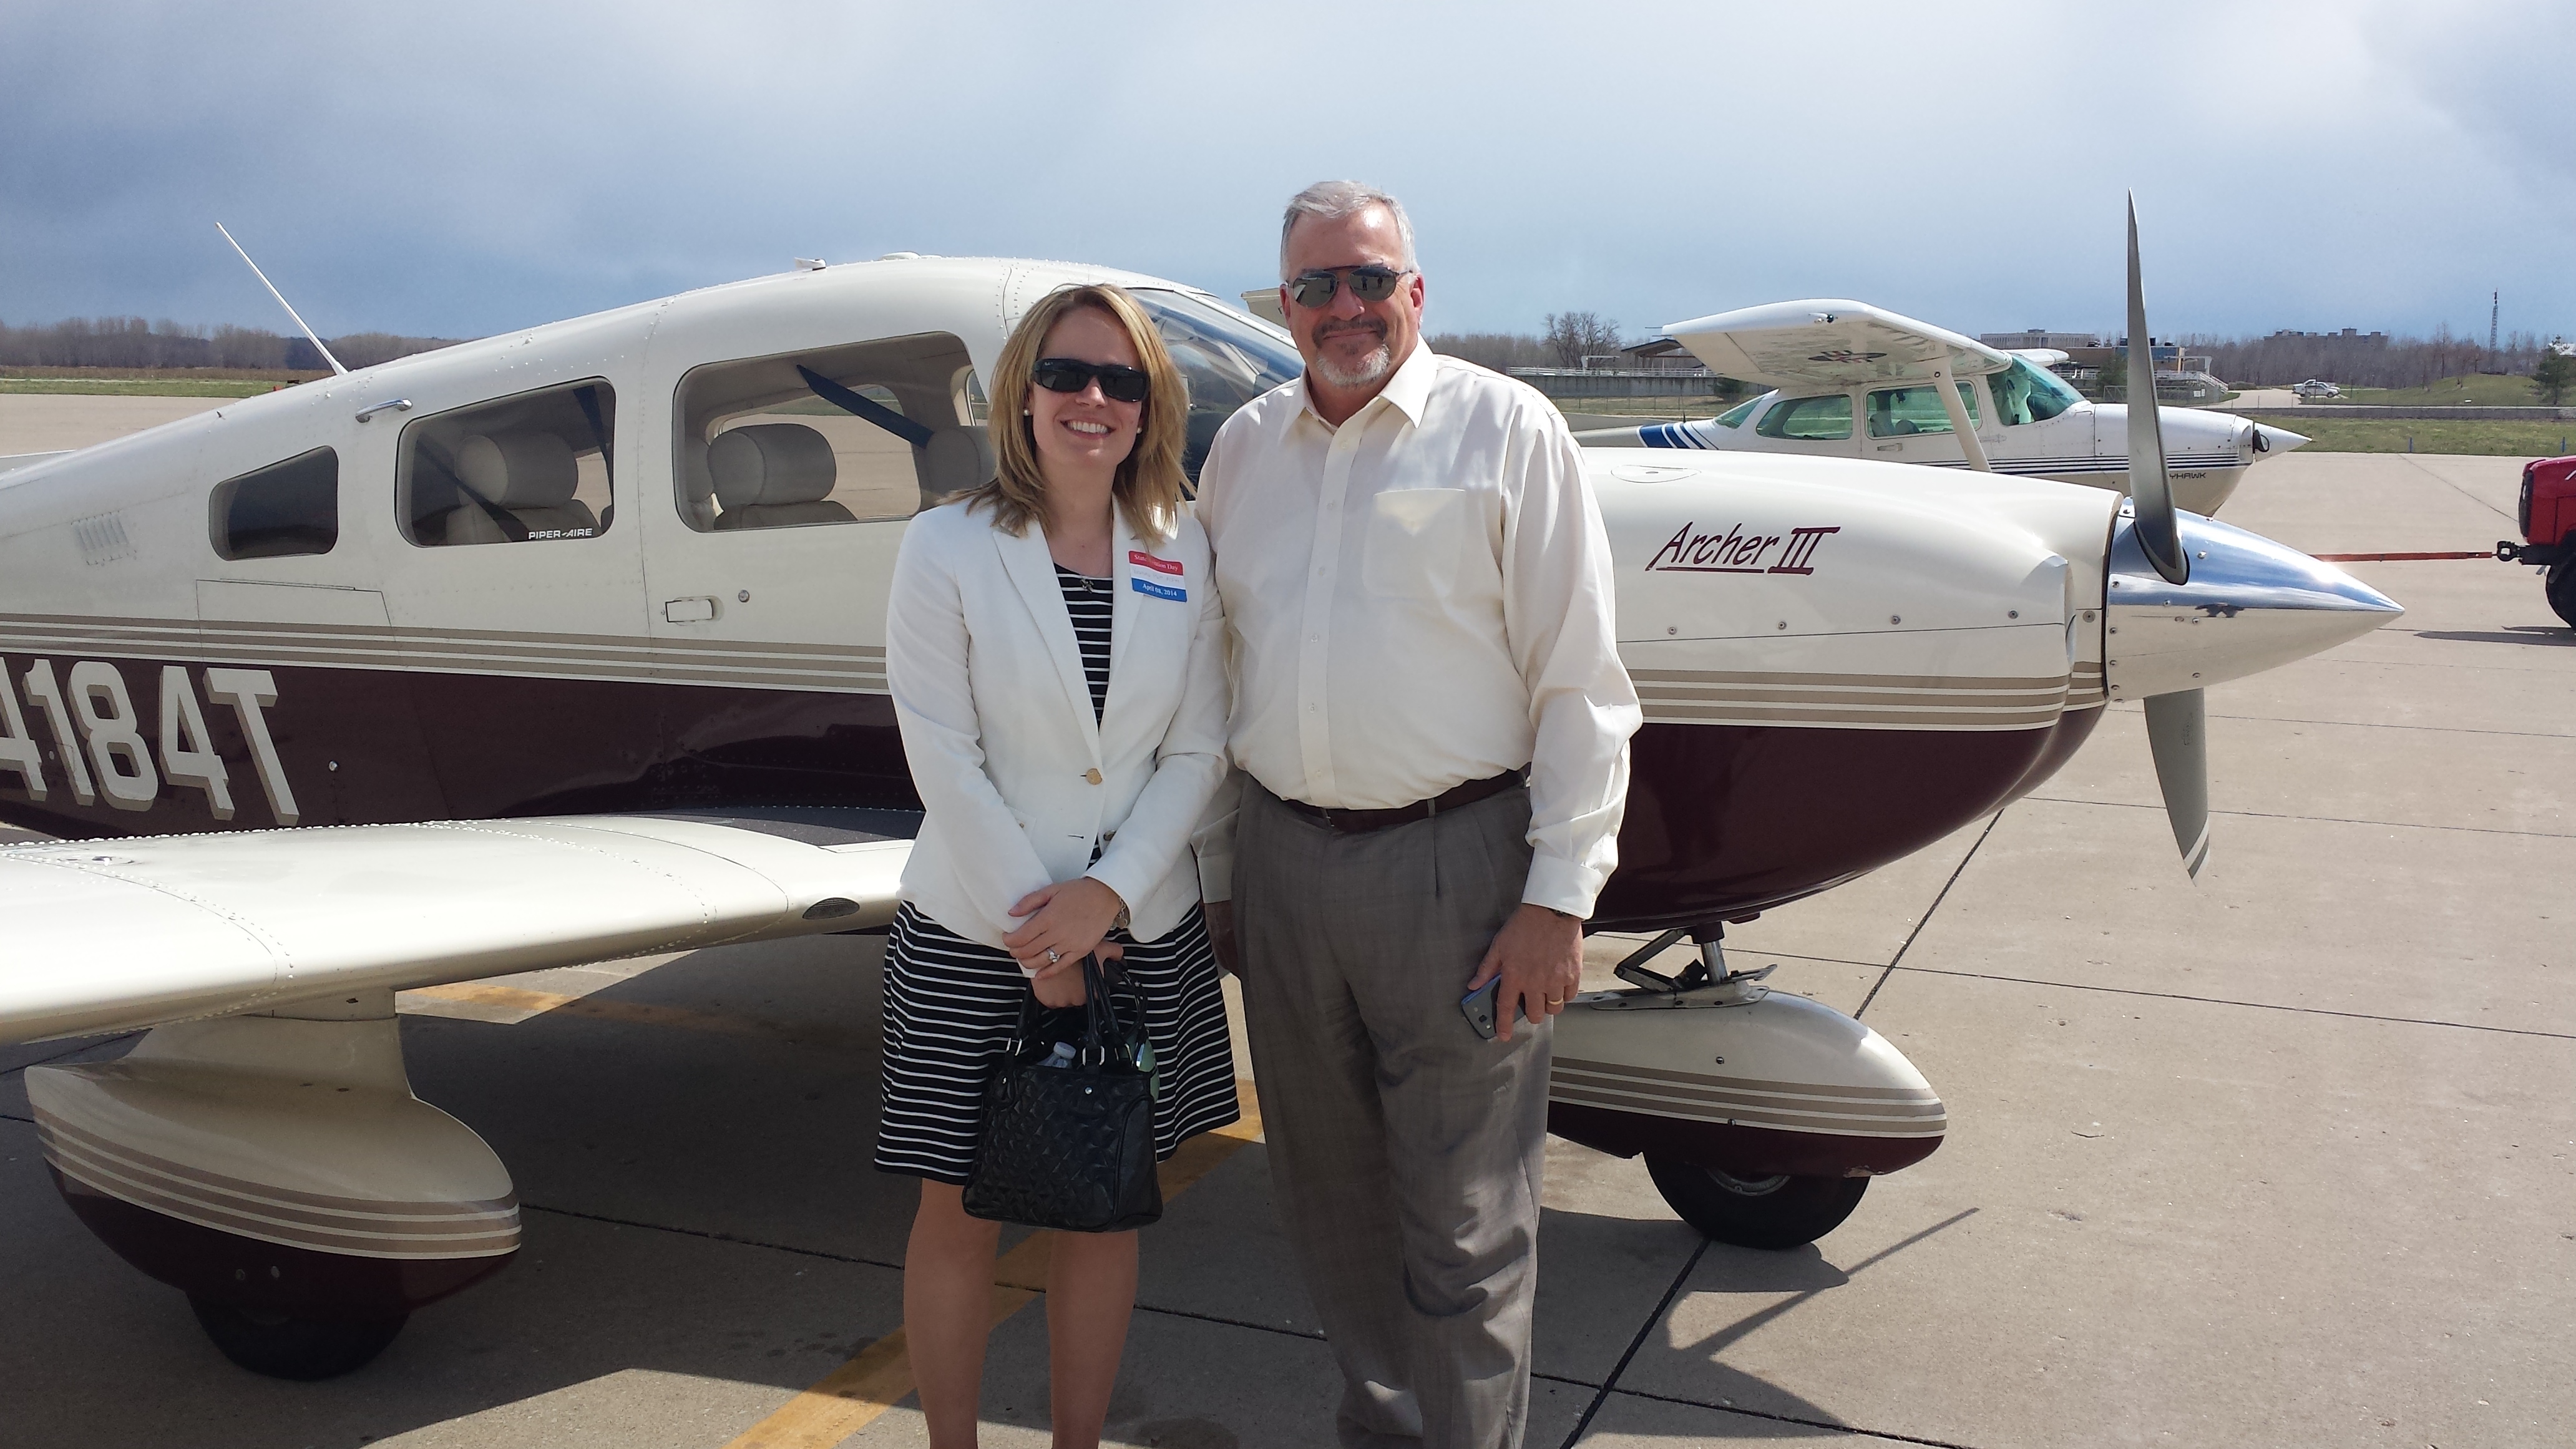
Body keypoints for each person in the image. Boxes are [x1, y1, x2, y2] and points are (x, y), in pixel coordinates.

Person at [1193, 182, 1641, 1449]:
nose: (1346, 308)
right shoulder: (1242, 451)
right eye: (1317, 286)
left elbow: (1581, 683)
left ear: (1417, 292)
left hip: (1460, 873)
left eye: (1369, 279)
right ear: (1285, 305)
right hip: (1284, 863)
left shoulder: (1511, 431)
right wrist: (1225, 876)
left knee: (1466, 1228)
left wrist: (1558, 898)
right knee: (1329, 1209)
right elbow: (1219, 674)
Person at [879, 282, 1240, 1449]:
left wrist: (1107, 898)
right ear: (1024, 394)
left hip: (1137, 923)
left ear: (1149, 406)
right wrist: (1042, 932)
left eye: (1120, 381)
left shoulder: (1185, 551)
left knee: (1102, 1207)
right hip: (976, 928)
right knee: (959, 1211)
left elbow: (1198, 749)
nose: (1093, 400)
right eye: (1068, 376)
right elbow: (940, 749)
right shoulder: (946, 546)